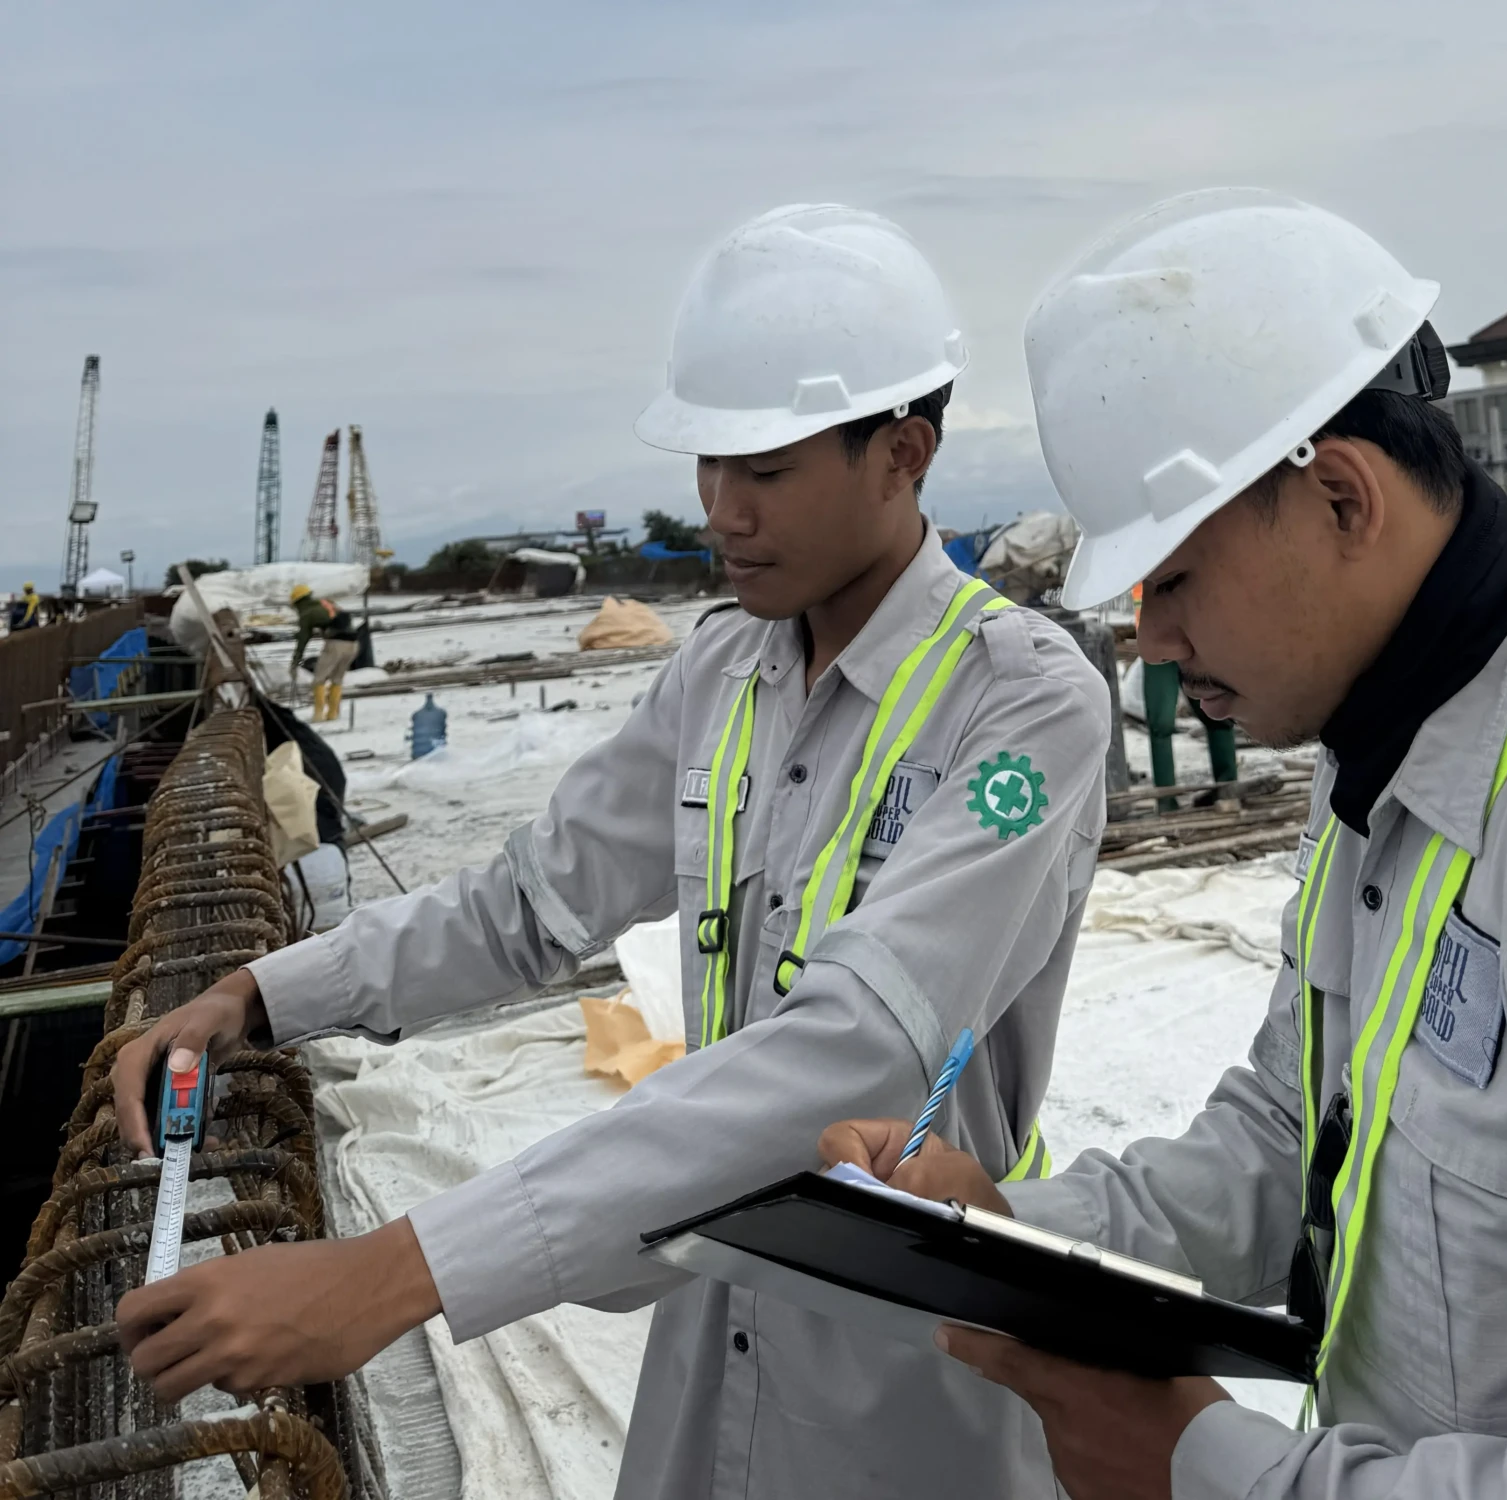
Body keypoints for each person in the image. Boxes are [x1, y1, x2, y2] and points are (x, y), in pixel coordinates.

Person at [823, 190, 1507, 1500]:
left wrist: (1203, 1466)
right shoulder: (1393, 773)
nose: (1156, 644)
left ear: (1344, 498)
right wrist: (1012, 1232)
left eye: (1171, 580)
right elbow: (1295, 1139)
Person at [111, 204, 1111, 1500]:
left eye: (765, 469)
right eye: (709, 463)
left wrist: (401, 1270)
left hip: (906, 1361)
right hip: (722, 1300)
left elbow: (864, 1040)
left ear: (903, 455)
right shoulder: (724, 671)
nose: (721, 510)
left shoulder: (1022, 701)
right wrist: (264, 994)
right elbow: (533, 901)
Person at [288, 583, 363, 720]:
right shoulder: (327, 603)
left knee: (318, 680)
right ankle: (333, 714)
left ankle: (318, 714)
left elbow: (303, 639)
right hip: (354, 644)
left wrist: (295, 661)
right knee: (337, 679)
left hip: (335, 644)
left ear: (298, 602)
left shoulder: (307, 613)